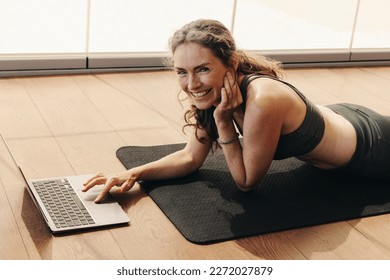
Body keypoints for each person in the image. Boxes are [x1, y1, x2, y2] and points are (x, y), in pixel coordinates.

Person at [83, 19, 390, 203]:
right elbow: (192, 156)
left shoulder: (262, 100)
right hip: (344, 120)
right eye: (181, 71)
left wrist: (224, 123)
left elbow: (246, 182)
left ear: (230, 64)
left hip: (375, 149)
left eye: (202, 69)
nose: (191, 84)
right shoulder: (218, 90)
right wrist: (133, 174)